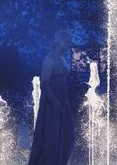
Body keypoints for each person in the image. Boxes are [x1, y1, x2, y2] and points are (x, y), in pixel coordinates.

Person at [28, 30, 75, 165]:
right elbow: (44, 84)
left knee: (67, 136)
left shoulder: (61, 57)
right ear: (58, 42)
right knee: (52, 138)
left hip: (62, 101)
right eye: (68, 42)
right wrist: (55, 103)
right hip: (53, 104)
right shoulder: (50, 60)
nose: (70, 45)